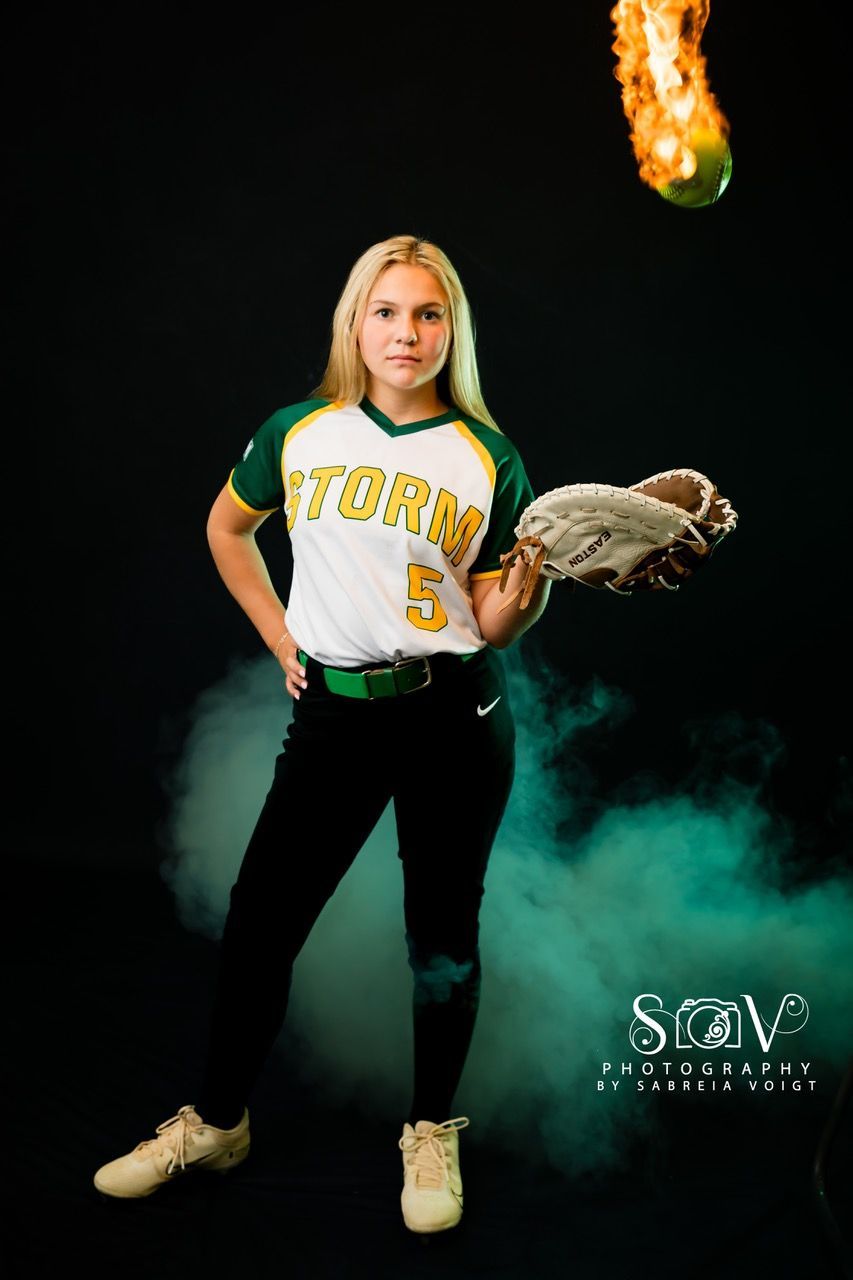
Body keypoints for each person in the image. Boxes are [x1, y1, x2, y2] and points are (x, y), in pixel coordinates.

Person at [93, 233, 552, 1234]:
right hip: (336, 712)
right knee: (261, 922)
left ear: (452, 331)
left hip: (452, 713)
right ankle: (217, 1123)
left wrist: (530, 589)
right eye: (386, 311)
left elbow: (489, 622)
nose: (405, 332)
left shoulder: (488, 456)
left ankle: (429, 1128)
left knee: (441, 935)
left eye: (427, 314)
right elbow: (227, 527)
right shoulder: (298, 431)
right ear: (355, 321)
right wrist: (277, 634)